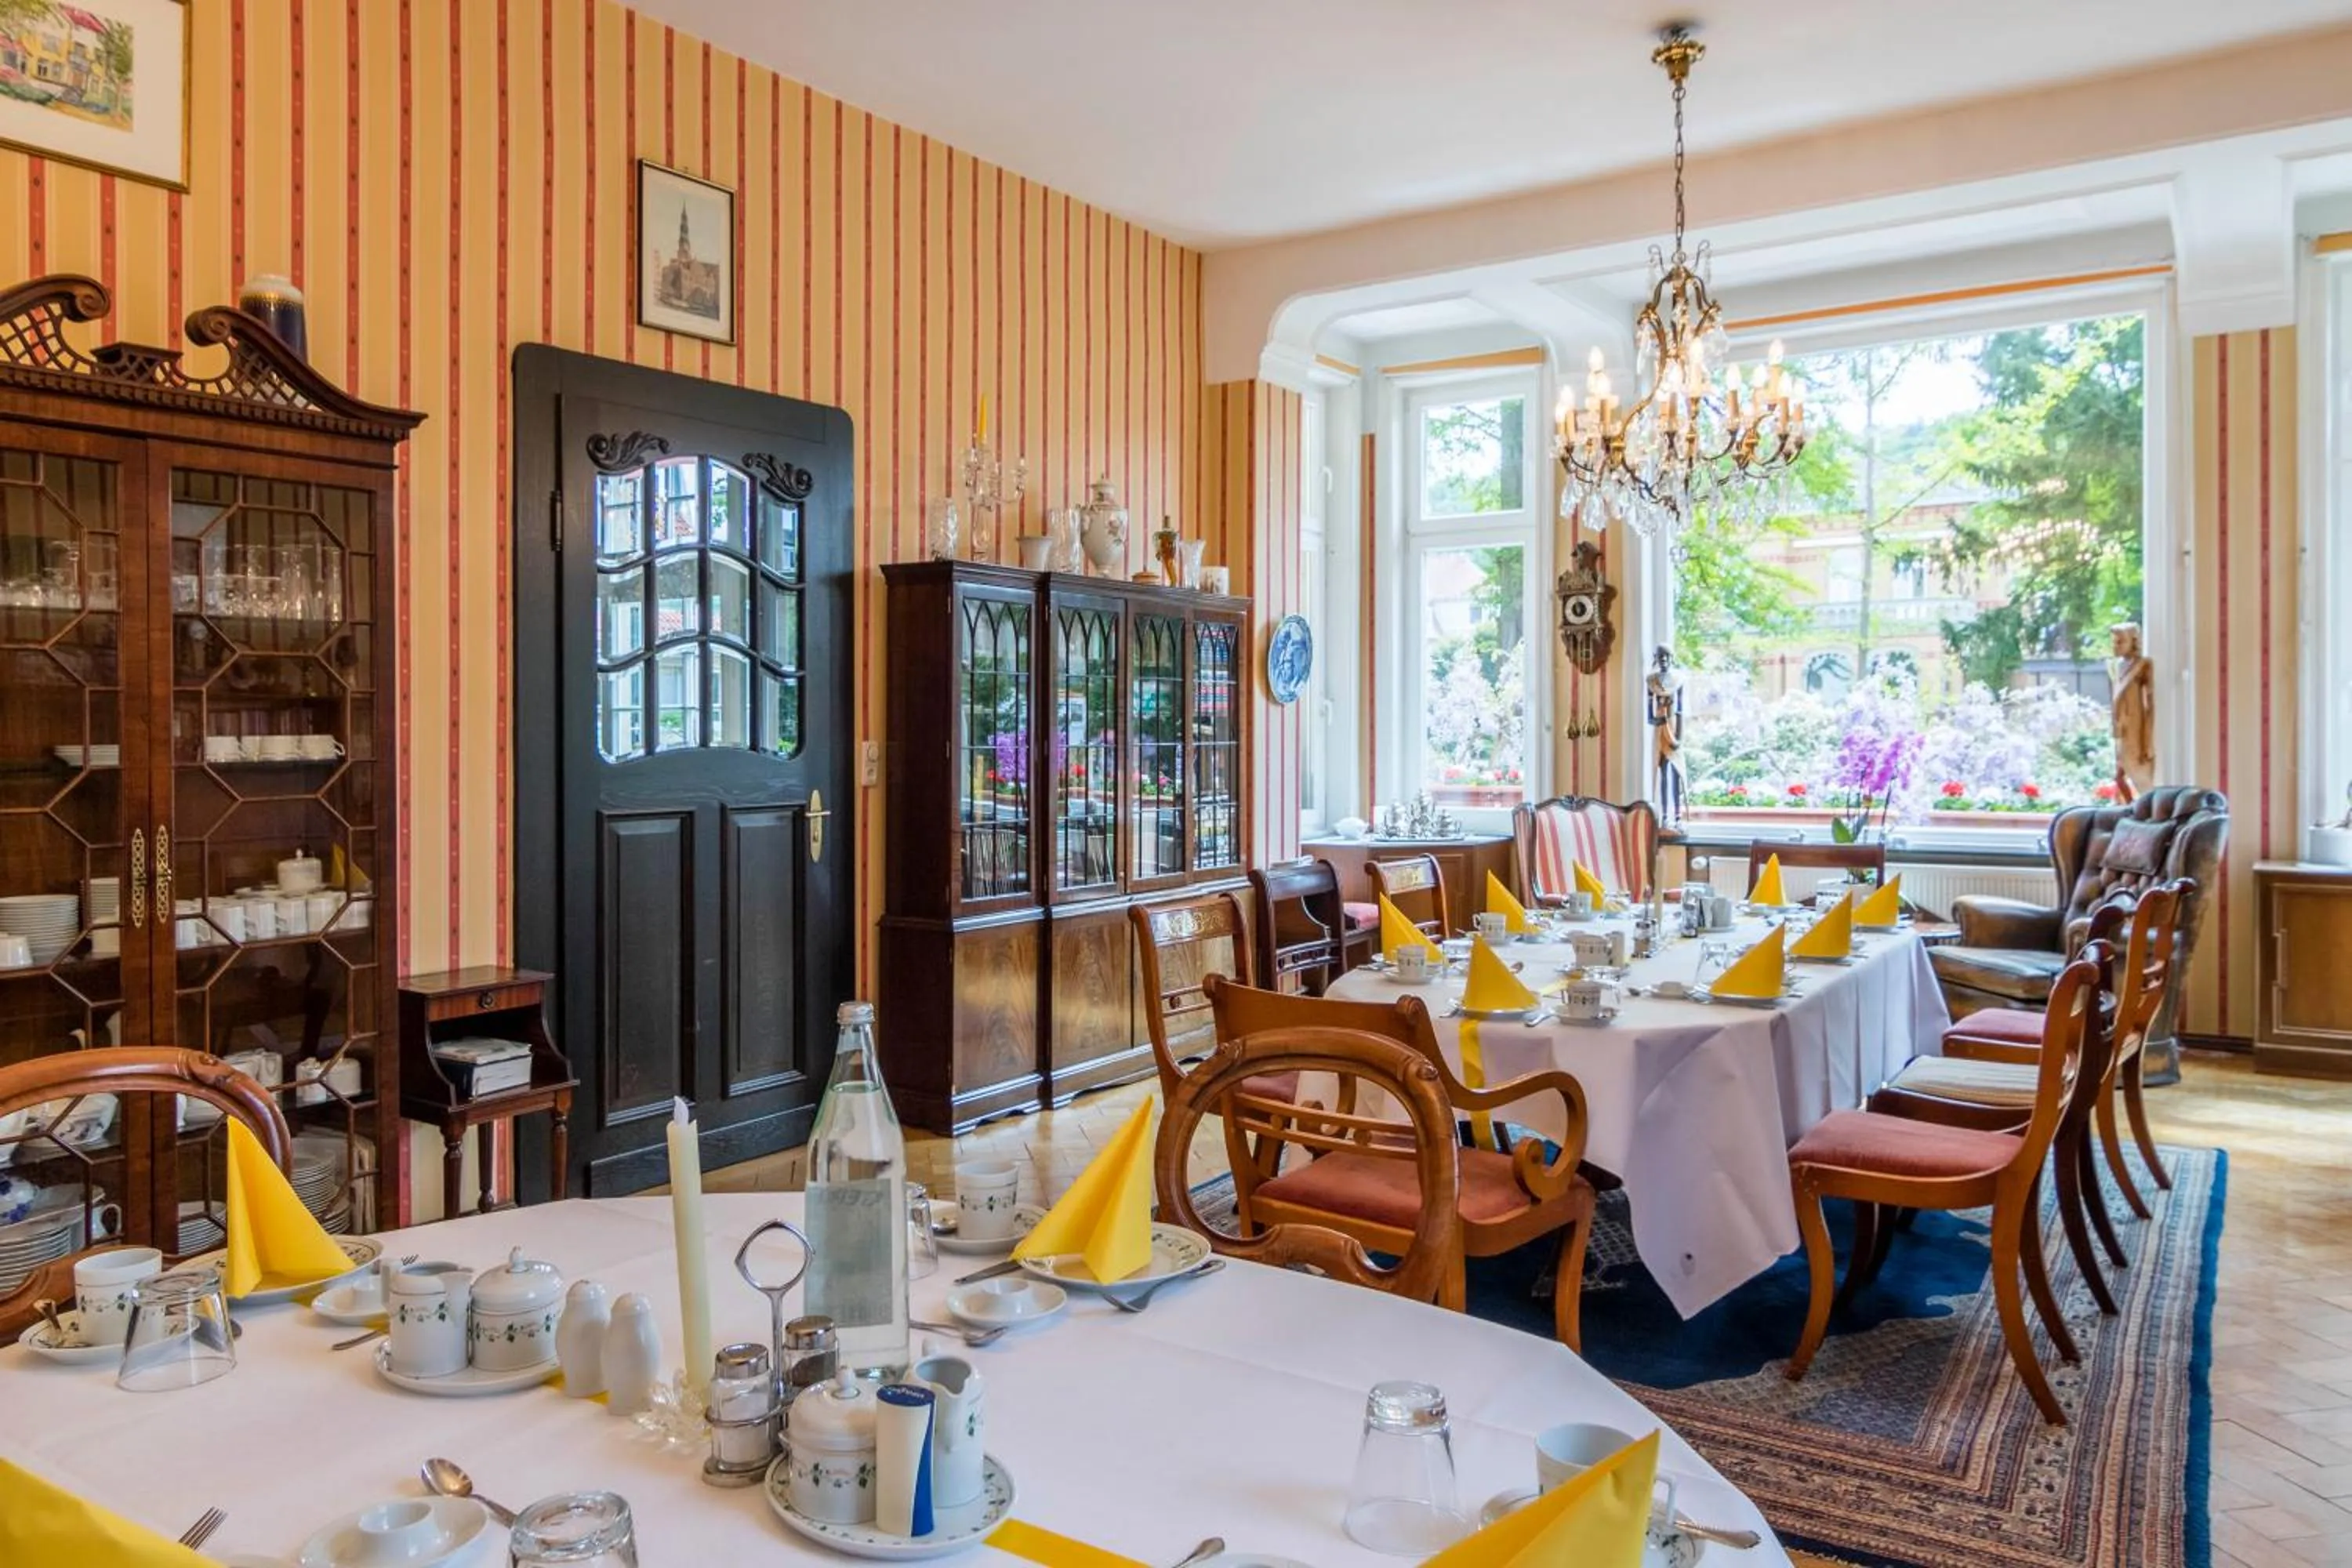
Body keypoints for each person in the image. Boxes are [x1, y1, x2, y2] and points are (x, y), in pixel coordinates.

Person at [2108, 622, 2156, 802]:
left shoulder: (2143, 665)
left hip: (2136, 727)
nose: (2116, 646)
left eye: (2121, 642)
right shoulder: (2119, 666)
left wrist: (2147, 740)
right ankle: (2130, 808)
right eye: (2114, 642)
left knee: (2138, 774)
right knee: (2119, 776)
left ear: (2133, 642)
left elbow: (2150, 705)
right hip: (2121, 728)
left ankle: (2146, 807)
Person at [1647, 645, 1685, 825]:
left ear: (1671, 658)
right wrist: (1655, 720)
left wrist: (1679, 737)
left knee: (1676, 772)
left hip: (1673, 727)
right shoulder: (1651, 681)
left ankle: (1677, 816)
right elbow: (1649, 713)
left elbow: (1680, 711)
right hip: (1660, 728)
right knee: (1662, 771)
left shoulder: (1678, 679)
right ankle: (1663, 816)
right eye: (1660, 656)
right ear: (1656, 658)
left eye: (1666, 656)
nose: (1663, 659)